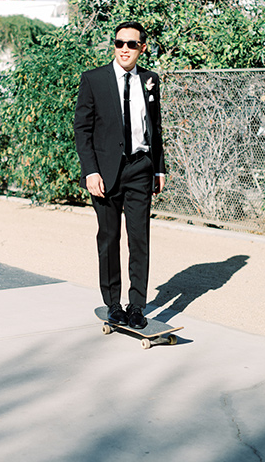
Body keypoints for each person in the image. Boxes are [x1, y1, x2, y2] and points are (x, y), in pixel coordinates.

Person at [74, 21, 166, 329]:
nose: (124, 49)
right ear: (114, 46)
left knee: (139, 240)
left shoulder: (150, 80)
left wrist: (159, 167)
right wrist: (90, 171)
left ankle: (137, 306)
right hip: (106, 173)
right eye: (119, 43)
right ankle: (113, 303)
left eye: (131, 44)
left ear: (142, 48)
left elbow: (156, 127)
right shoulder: (94, 80)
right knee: (109, 238)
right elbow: (82, 130)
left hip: (140, 167)